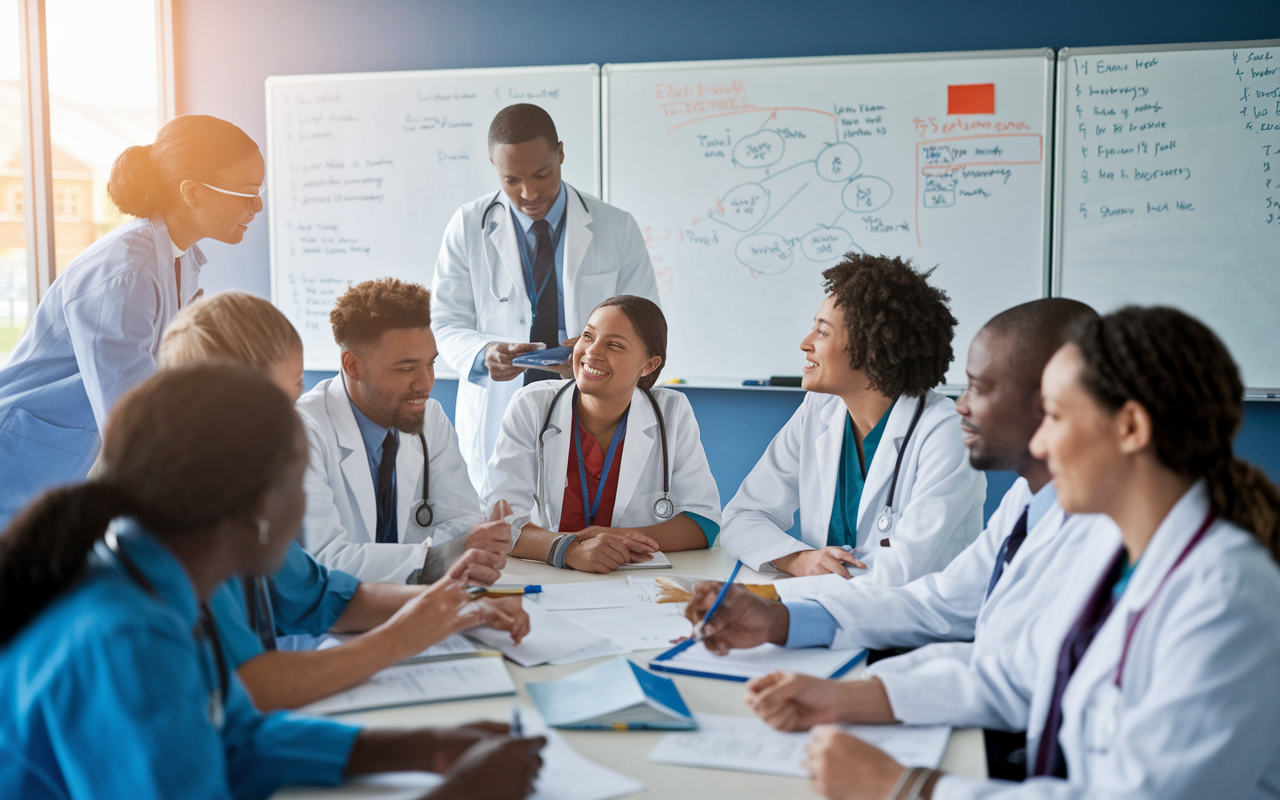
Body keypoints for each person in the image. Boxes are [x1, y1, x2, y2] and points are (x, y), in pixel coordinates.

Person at [746, 306, 1280, 800]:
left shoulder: (1226, 597)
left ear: (1131, 427)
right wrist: (841, 699)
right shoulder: (1123, 554)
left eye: (1055, 417)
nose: (1042, 446)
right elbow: (1019, 674)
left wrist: (911, 788)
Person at [0, 363, 546, 800]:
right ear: (260, 507)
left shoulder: (165, 574)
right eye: (299, 483)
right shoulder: (126, 641)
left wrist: (427, 748)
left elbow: (235, 739)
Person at [685, 298, 1102, 779]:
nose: (962, 404)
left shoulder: (1110, 535)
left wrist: (907, 787)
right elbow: (945, 605)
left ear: (1055, 404)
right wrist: (781, 619)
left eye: (981, 387)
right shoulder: (1032, 499)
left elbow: (933, 602)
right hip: (974, 703)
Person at [159, 291, 529, 712]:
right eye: (286, 391)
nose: (293, 409)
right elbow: (251, 689)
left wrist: (466, 605)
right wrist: (403, 630)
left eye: (297, 385)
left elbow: (325, 595)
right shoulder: (180, 540)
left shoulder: (235, 505)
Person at [0, 115, 263, 526]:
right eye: (247, 193)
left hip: (62, 461)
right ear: (191, 192)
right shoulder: (125, 271)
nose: (257, 206)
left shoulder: (180, 259)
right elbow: (130, 416)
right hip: (20, 461)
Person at [432, 103, 661, 494]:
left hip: (591, 400)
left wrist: (596, 354)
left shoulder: (616, 227)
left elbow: (646, 327)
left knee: (580, 511)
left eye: (542, 174)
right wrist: (482, 354)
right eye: (511, 179)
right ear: (493, 164)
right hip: (502, 402)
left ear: (560, 152)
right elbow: (445, 321)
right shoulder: (469, 225)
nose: (529, 193)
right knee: (506, 523)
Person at [719, 253, 985, 582]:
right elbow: (742, 516)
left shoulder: (947, 434)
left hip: (915, 624)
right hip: (827, 608)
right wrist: (798, 559)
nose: (805, 343)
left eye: (822, 332)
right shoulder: (818, 410)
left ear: (870, 348)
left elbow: (904, 570)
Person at [296, 278, 512, 584]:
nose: (425, 384)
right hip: (332, 624)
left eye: (430, 364)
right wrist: (433, 558)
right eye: (406, 368)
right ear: (352, 366)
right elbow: (320, 562)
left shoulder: (430, 419)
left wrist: (477, 540)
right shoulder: (303, 434)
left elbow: (463, 521)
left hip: (415, 604)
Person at [487, 295, 720, 572]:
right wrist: (569, 550)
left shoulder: (672, 411)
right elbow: (499, 524)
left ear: (648, 365)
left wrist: (613, 540)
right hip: (549, 573)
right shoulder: (531, 405)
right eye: (588, 336)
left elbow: (704, 523)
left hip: (634, 579)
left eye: (614, 345)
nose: (591, 352)